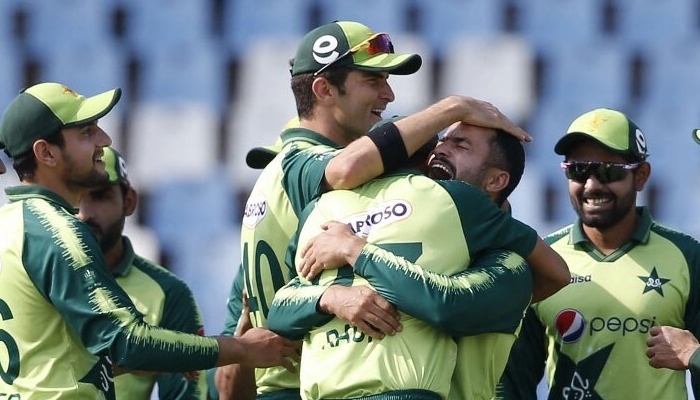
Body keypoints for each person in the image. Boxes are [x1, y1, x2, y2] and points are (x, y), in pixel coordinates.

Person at [218, 19, 532, 400]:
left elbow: (247, 323)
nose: (389, 95)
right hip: (305, 381)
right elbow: (346, 168)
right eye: (374, 81)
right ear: (324, 89)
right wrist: (455, 107)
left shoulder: (281, 179)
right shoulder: (307, 166)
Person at [0, 82, 299, 399]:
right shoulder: (58, 231)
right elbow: (126, 344)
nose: (105, 140)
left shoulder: (9, 225)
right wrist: (240, 349)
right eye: (86, 133)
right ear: (46, 153)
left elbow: (51, 353)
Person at [267, 121, 570, 400]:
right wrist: (329, 296)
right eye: (441, 141)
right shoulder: (368, 220)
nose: (440, 148)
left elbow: (447, 304)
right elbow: (279, 309)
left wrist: (356, 251)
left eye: (460, 145)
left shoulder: (510, 266)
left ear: (495, 181)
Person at [496, 108, 700, 399]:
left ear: (641, 176)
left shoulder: (688, 256)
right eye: (579, 170)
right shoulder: (541, 259)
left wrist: (693, 353)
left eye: (609, 171)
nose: (591, 185)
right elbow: (512, 382)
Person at [78, 147, 209, 399]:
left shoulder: (170, 294)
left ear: (129, 202)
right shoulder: (30, 277)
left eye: (99, 196)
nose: (84, 213)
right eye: (74, 197)